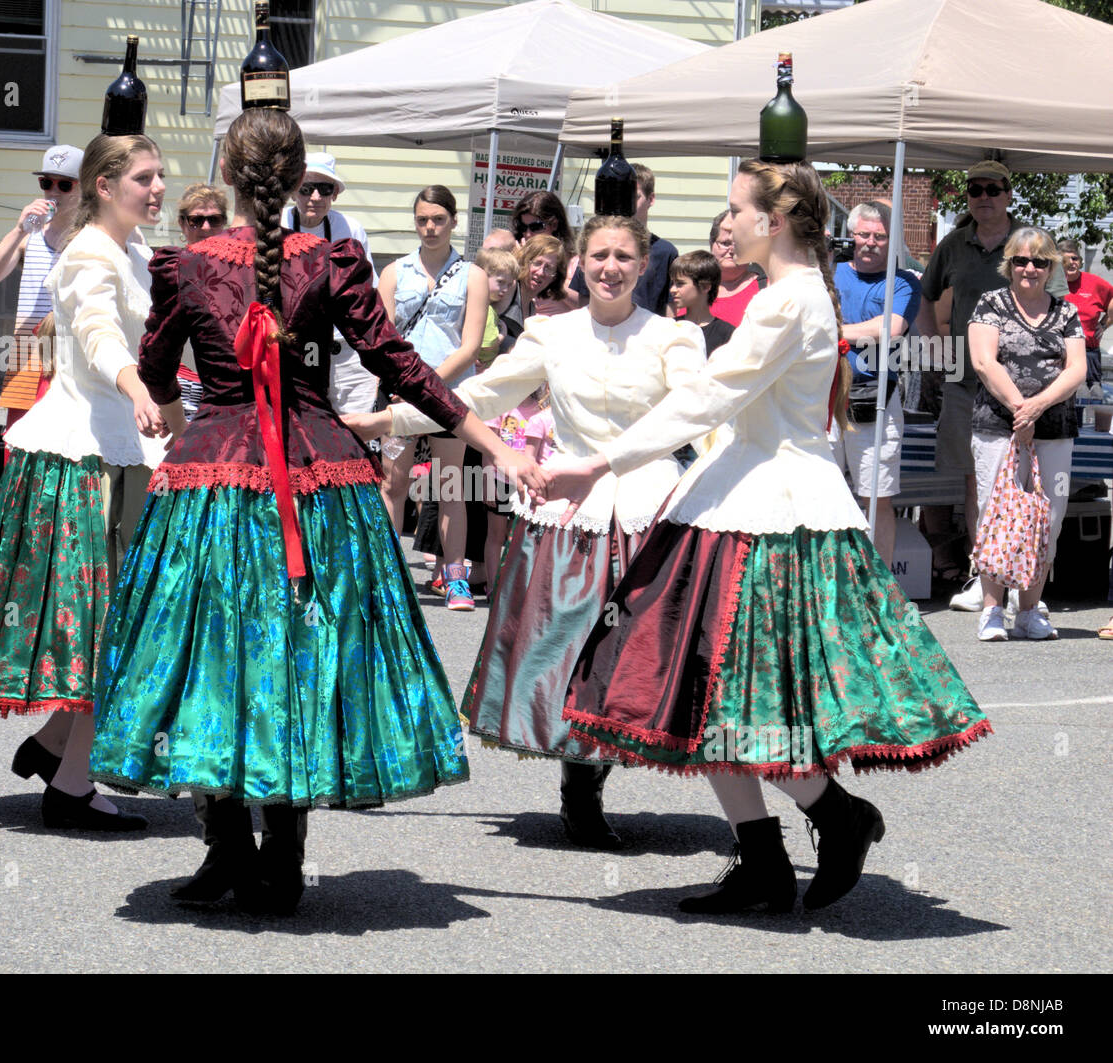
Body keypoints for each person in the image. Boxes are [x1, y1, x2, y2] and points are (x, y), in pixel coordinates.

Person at [86, 108, 544, 914]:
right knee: (302, 654)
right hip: (315, 476)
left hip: (214, 478)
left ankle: (228, 844)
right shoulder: (333, 260)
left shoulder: (187, 267)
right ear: (300, 179)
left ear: (227, 172)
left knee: (210, 657)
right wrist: (493, 444)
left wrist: (175, 398)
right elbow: (402, 366)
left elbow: (157, 371)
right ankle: (280, 857)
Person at [546, 159, 990, 914]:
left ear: (773, 221)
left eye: (738, 210)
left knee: (751, 697)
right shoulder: (778, 295)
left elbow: (715, 395)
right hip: (733, 498)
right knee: (704, 693)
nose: (729, 224)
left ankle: (835, 815)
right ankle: (764, 858)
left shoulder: (790, 302)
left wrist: (601, 462)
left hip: (777, 512)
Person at [349, 215, 703, 850]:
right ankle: (581, 785)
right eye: (598, 255)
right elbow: (479, 395)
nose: (610, 267)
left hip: (649, 511)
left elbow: (692, 415)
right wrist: (388, 422)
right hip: (569, 515)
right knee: (567, 651)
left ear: (645, 263)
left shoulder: (673, 340)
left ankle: (630, 768)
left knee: (633, 657)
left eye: (624, 256)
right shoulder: (550, 333)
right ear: (578, 264)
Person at [0, 133, 171, 833]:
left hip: (117, 449)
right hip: (82, 458)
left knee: (116, 616)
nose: (157, 188)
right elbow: (96, 332)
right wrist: (135, 385)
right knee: (107, 622)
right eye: (144, 177)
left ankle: (57, 743)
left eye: (160, 176)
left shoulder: (137, 252)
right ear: (105, 185)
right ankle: (70, 782)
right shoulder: (89, 251)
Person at [921, 160, 1067, 593]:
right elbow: (924, 299)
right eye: (975, 189)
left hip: (1034, 393)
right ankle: (984, 579)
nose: (983, 196)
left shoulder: (1031, 244)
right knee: (980, 484)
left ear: (1008, 194)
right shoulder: (952, 245)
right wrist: (934, 352)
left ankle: (1029, 583)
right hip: (968, 383)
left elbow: (1062, 310)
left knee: (1033, 487)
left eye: (992, 188)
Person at [377, 185, 489, 611]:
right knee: (394, 483)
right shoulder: (395, 272)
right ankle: (389, 575)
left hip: (448, 391)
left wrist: (424, 385)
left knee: (449, 484)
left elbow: (470, 345)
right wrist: (402, 384)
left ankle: (455, 576)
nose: (429, 227)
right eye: (422, 219)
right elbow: (381, 338)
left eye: (438, 219)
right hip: (398, 391)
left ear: (454, 222)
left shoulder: (472, 275)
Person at [968, 229, 1085, 642]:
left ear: (1051, 266)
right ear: (1009, 265)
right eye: (1020, 261)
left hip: (1054, 431)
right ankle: (991, 610)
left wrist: (1038, 407)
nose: (1029, 269)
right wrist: (1023, 408)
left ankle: (1030, 610)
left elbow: (1076, 369)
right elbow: (984, 361)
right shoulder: (991, 304)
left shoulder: (1066, 312)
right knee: (995, 516)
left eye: (1038, 261)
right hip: (998, 429)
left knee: (1046, 521)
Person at [830, 201, 922, 566]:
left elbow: (888, 330)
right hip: (824, 397)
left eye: (880, 237)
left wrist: (833, 332)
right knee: (824, 490)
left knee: (876, 496)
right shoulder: (829, 274)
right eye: (863, 234)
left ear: (891, 240)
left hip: (875, 401)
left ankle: (879, 583)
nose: (870, 242)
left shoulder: (903, 283)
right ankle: (829, 575)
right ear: (852, 235)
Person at [0, 145, 83, 433]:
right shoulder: (29, 237)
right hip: (28, 356)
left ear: (84, 188)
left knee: (65, 450)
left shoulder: (92, 237)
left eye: (64, 184)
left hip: (72, 357)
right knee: (18, 449)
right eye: (46, 183)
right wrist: (19, 229)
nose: (53, 192)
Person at [284, 152, 378, 417]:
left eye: (324, 189)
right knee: (303, 423)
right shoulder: (275, 224)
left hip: (343, 349)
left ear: (334, 194)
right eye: (306, 188)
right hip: (295, 347)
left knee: (352, 428)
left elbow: (367, 290)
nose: (315, 197)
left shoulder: (351, 229)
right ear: (293, 191)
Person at [568, 164, 677, 316]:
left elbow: (669, 305)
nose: (625, 203)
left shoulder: (666, 252)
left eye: (634, 197)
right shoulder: (595, 244)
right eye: (620, 196)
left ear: (650, 199)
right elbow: (584, 300)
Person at [172, 182, 230, 417]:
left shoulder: (238, 272)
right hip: (179, 386)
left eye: (214, 220)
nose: (206, 227)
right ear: (182, 224)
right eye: (196, 220)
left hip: (225, 389)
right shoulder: (168, 269)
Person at [1058, 239, 1113, 431]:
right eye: (1066, 259)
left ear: (1080, 261)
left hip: (1088, 352)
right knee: (1064, 404)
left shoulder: (1094, 282)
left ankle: (1091, 440)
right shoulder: (1052, 284)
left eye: (1075, 258)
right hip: (1059, 354)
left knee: (1090, 398)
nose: (1071, 262)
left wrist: (1105, 324)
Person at [511, 189, 580, 310]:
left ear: (554, 225)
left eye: (536, 227)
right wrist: (519, 264)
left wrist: (554, 279)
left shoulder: (574, 262)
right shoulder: (515, 252)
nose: (528, 234)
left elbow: (588, 305)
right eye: (523, 227)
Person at [669, 250, 734, 355]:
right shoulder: (669, 328)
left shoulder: (727, 334)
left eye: (680, 284)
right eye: (672, 283)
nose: (672, 290)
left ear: (705, 286)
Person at [708, 209, 765, 327]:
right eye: (725, 243)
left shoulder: (766, 287)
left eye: (739, 243)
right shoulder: (693, 287)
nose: (732, 250)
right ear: (711, 244)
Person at [516, 234, 569, 319]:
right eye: (537, 263)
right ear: (525, 261)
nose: (540, 272)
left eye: (549, 268)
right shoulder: (507, 293)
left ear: (554, 278)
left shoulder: (531, 308)